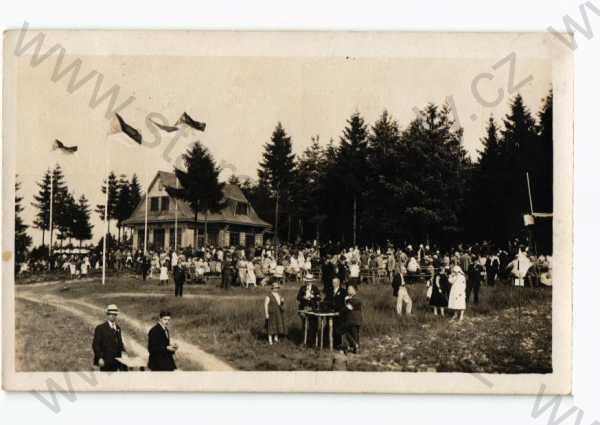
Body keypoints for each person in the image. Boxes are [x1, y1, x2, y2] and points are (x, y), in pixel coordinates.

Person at [92, 304, 126, 371]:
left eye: (115, 314)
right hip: (105, 361)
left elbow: (120, 343)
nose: (113, 316)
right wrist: (100, 358)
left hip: (117, 361)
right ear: (107, 314)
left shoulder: (118, 328)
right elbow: (96, 345)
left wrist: (124, 354)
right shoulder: (100, 328)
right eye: (111, 314)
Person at [340, 284, 362, 354]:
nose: (349, 290)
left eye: (351, 289)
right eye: (348, 289)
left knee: (343, 330)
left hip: (353, 320)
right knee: (354, 335)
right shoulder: (349, 299)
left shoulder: (355, 299)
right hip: (352, 319)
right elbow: (347, 308)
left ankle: (354, 346)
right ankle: (355, 347)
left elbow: (347, 308)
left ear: (355, 290)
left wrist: (340, 311)